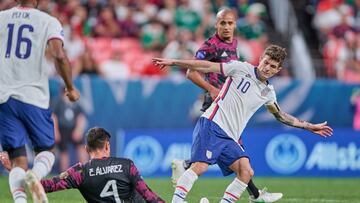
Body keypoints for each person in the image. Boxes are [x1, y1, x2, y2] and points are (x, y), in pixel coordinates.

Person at [153, 44, 333, 203]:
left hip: (230, 136)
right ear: (261, 59)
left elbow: (281, 116)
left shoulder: (268, 92)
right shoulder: (241, 68)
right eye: (266, 62)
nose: (267, 68)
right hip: (213, 123)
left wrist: (309, 126)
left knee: (246, 172)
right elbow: (207, 65)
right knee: (200, 166)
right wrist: (175, 62)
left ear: (278, 70)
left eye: (273, 66)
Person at [172, 8, 282, 203]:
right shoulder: (210, 46)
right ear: (216, 24)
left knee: (240, 159)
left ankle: (254, 195)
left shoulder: (234, 44)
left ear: (235, 25)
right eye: (223, 23)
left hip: (229, 101)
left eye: (230, 23)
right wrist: (211, 89)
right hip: (217, 103)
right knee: (229, 157)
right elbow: (191, 72)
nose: (226, 27)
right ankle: (188, 168)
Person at [0, 0, 80, 202]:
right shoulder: (48, 21)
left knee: (17, 159)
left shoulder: (1, 18)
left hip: (4, 97)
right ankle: (34, 177)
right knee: (47, 152)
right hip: (33, 96)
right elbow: (59, 56)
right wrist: (70, 87)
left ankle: (20, 200)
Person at [40, 127, 165, 203]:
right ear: (107, 145)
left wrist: (26, 176)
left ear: (86, 149)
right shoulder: (127, 165)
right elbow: (149, 196)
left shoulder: (79, 172)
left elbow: (48, 186)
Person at [52, 89, 88, 172]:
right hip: (62, 129)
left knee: (81, 148)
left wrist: (78, 130)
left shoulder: (75, 103)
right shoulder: (57, 102)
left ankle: (87, 171)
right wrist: (56, 131)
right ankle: (65, 175)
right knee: (63, 152)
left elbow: (81, 117)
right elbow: (54, 117)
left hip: (74, 128)